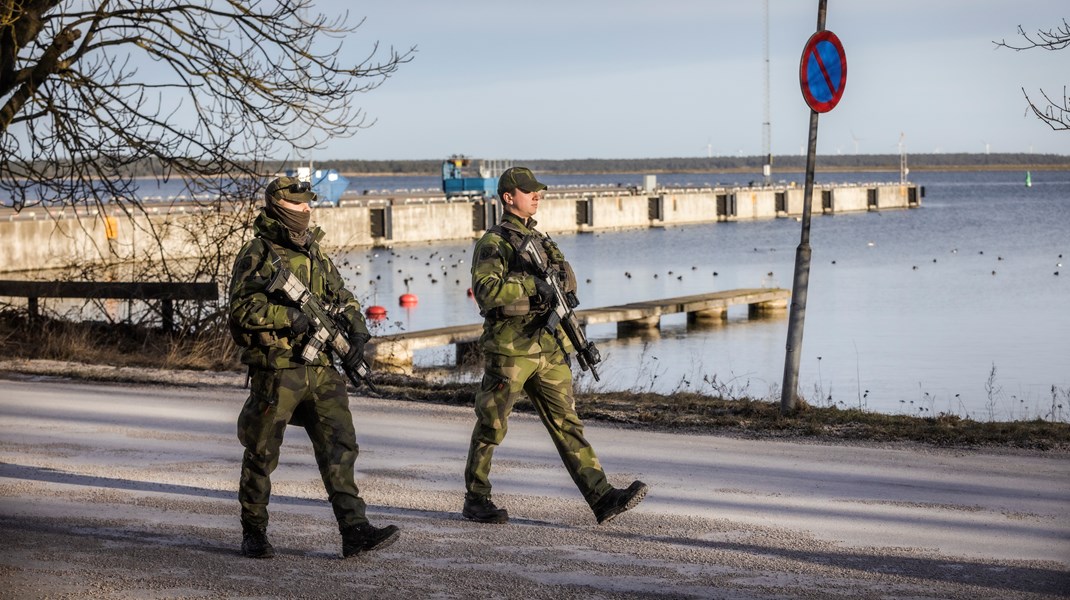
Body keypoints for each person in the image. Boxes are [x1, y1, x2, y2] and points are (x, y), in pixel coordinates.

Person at [462, 166, 648, 525]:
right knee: (492, 425)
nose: (536, 196)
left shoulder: (541, 241)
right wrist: (532, 287)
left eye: (538, 191)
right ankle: (476, 497)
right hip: (511, 349)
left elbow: (565, 287)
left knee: (568, 423)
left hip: (547, 346)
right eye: (529, 191)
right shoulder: (494, 243)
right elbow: (486, 294)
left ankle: (602, 496)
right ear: (508, 197)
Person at [229, 176, 399, 558]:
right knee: (262, 450)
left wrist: (357, 335)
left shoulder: (315, 253)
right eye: (300, 204)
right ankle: (254, 531)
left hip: (321, 366)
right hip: (278, 369)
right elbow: (240, 311)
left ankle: (354, 529)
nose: (308, 209)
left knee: (340, 444)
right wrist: (288, 317)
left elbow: (343, 296)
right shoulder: (258, 253)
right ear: (279, 206)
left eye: (309, 203)